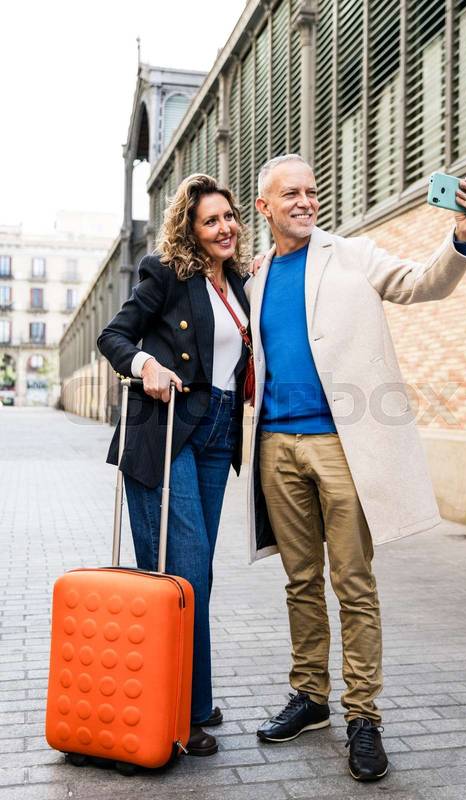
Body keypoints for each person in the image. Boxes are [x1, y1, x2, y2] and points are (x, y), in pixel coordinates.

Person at [245, 154, 466, 781]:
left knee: (353, 584)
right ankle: (309, 697)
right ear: (264, 207)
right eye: (291, 194)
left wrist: (461, 235)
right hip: (276, 446)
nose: (305, 201)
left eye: (312, 191)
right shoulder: (253, 276)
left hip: (342, 445)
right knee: (300, 581)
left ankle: (363, 716)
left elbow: (421, 282)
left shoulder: (353, 254)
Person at [97, 174, 251, 756]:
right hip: (164, 433)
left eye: (229, 216)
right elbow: (113, 336)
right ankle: (177, 713)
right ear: (189, 227)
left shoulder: (238, 281)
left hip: (217, 433)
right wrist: (144, 365)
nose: (224, 227)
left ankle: (194, 694)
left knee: (197, 574)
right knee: (180, 569)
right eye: (210, 220)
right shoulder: (165, 272)